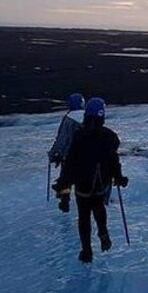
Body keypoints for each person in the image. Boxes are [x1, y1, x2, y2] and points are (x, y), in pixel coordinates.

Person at [56, 97, 128, 263]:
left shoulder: (79, 136)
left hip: (82, 184)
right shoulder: (110, 137)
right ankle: (103, 231)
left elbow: (71, 162)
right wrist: (119, 177)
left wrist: (63, 183)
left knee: (83, 216)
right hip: (100, 182)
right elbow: (113, 160)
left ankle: (86, 251)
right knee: (98, 207)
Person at [48, 93, 85, 213]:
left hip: (69, 156)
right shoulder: (88, 116)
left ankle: (64, 201)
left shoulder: (69, 118)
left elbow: (62, 139)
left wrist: (54, 153)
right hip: (85, 155)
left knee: (65, 179)